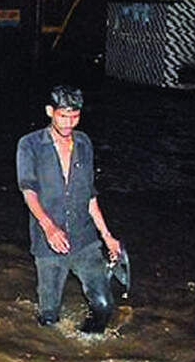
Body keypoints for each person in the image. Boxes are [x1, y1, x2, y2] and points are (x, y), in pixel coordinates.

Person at [15, 85, 122, 334]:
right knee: (49, 317)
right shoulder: (29, 145)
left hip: (85, 238)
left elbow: (89, 195)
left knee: (104, 306)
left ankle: (87, 352)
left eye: (75, 116)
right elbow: (28, 190)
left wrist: (107, 237)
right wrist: (49, 226)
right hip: (48, 243)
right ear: (50, 111)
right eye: (63, 116)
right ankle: (52, 360)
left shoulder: (84, 142)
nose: (69, 123)